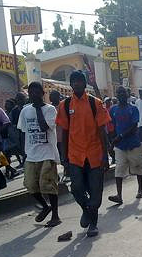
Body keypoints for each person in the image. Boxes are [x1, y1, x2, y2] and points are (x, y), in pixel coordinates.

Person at [56, 70, 112, 237]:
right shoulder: (65, 105)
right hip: (75, 155)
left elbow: (103, 131)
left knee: (96, 191)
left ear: (84, 83)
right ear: (71, 84)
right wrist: (64, 157)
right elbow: (64, 133)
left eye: (80, 81)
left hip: (95, 154)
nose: (77, 84)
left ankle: (93, 224)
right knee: (76, 188)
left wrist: (105, 155)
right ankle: (85, 210)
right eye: (74, 82)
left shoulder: (96, 103)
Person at [18, 81, 61, 227]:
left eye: (37, 92)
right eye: (31, 93)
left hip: (47, 153)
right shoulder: (25, 111)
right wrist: (23, 152)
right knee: (30, 185)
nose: (33, 95)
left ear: (43, 94)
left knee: (48, 185)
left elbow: (44, 127)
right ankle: (45, 207)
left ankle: (55, 215)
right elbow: (23, 132)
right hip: (31, 154)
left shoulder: (50, 110)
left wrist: (38, 108)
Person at [108, 86, 142, 204]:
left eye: (123, 93)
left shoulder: (133, 109)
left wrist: (120, 136)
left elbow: (134, 127)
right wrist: (112, 140)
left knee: (138, 167)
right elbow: (112, 126)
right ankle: (119, 195)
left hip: (133, 143)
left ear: (127, 94)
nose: (121, 95)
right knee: (119, 169)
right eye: (118, 93)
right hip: (120, 146)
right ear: (116, 95)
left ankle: (140, 189)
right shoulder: (113, 110)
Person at [49, 90, 68, 180]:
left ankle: (66, 171)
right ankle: (55, 174)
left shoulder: (63, 106)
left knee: (64, 155)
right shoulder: (48, 108)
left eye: (53, 96)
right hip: (53, 137)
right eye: (50, 96)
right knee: (53, 157)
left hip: (63, 136)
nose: (51, 98)